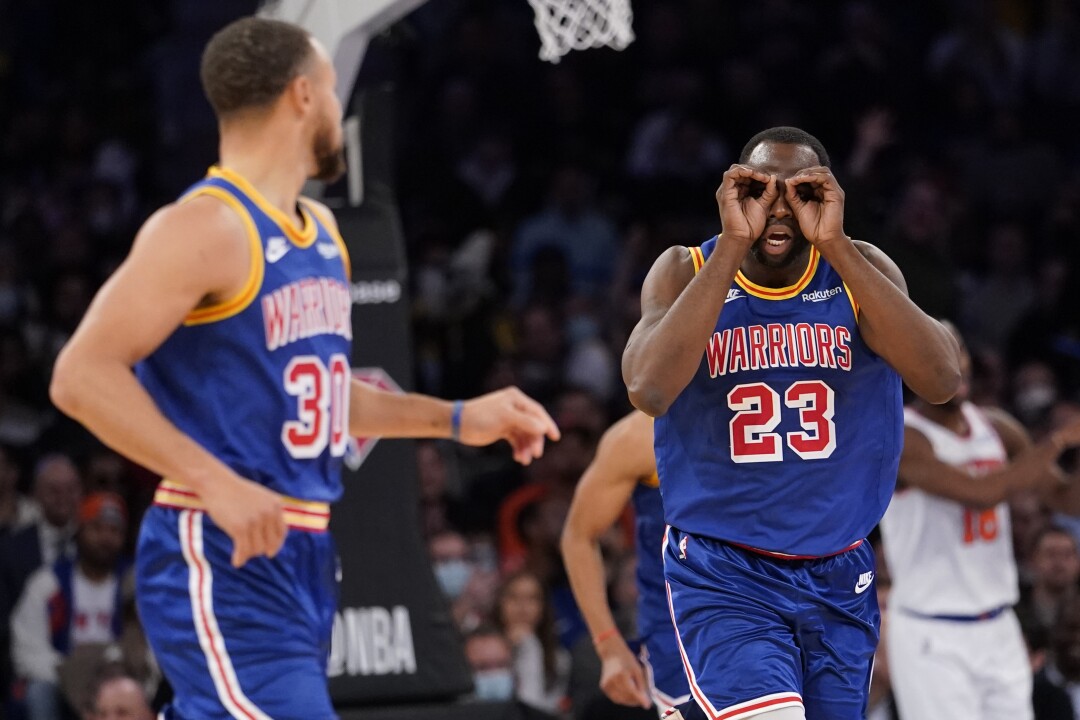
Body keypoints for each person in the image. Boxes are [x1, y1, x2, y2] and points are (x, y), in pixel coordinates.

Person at [48, 16, 560, 720]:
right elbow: (81, 375)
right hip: (220, 546)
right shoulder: (205, 227)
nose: (336, 104)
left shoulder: (319, 234)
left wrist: (459, 418)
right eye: (329, 85)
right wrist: (214, 481)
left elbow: (322, 395)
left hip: (306, 554)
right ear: (302, 96)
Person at [621, 125, 962, 720]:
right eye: (759, 188)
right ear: (732, 192)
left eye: (800, 191)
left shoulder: (861, 270)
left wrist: (837, 246)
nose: (777, 207)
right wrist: (730, 245)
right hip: (724, 569)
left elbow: (940, 380)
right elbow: (648, 388)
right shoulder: (685, 268)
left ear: (829, 195)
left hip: (839, 569)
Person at [880, 325, 1080, 720]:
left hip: (998, 624)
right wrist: (1058, 441)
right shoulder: (902, 436)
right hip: (932, 632)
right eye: (940, 352)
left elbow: (1064, 500)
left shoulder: (996, 428)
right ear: (913, 366)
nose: (955, 363)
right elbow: (981, 492)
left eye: (959, 350)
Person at [561, 410, 690, 715]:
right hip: (679, 632)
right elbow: (579, 536)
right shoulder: (641, 432)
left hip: (789, 609)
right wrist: (608, 644)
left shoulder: (804, 411)